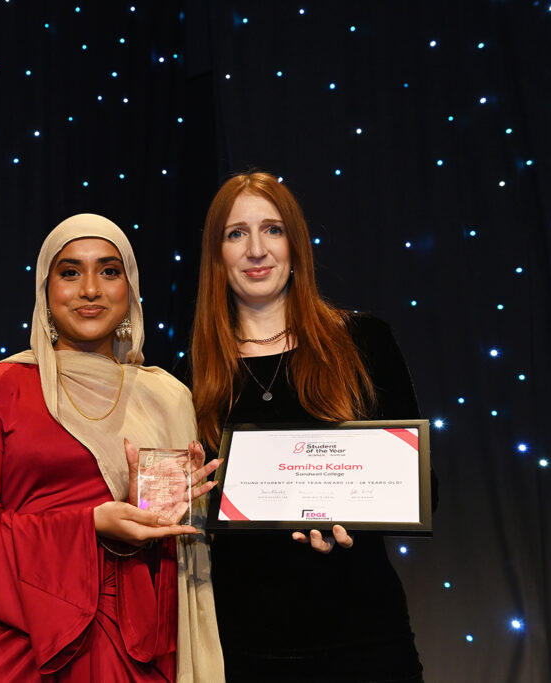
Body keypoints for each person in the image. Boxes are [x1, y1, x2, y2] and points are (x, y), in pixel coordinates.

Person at [0, 214, 224, 682]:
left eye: (109, 271)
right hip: (28, 646)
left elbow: (182, 560)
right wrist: (92, 524)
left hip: (136, 646)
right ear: (45, 291)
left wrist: (146, 512)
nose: (90, 289)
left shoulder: (166, 396)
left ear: (130, 289)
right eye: (70, 272)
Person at [183, 172, 433, 682]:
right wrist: (179, 494)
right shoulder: (189, 376)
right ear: (216, 256)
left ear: (296, 244)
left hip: (364, 639)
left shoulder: (365, 341)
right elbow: (182, 516)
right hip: (244, 647)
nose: (256, 249)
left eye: (272, 230)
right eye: (236, 234)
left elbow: (423, 487)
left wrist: (351, 517)